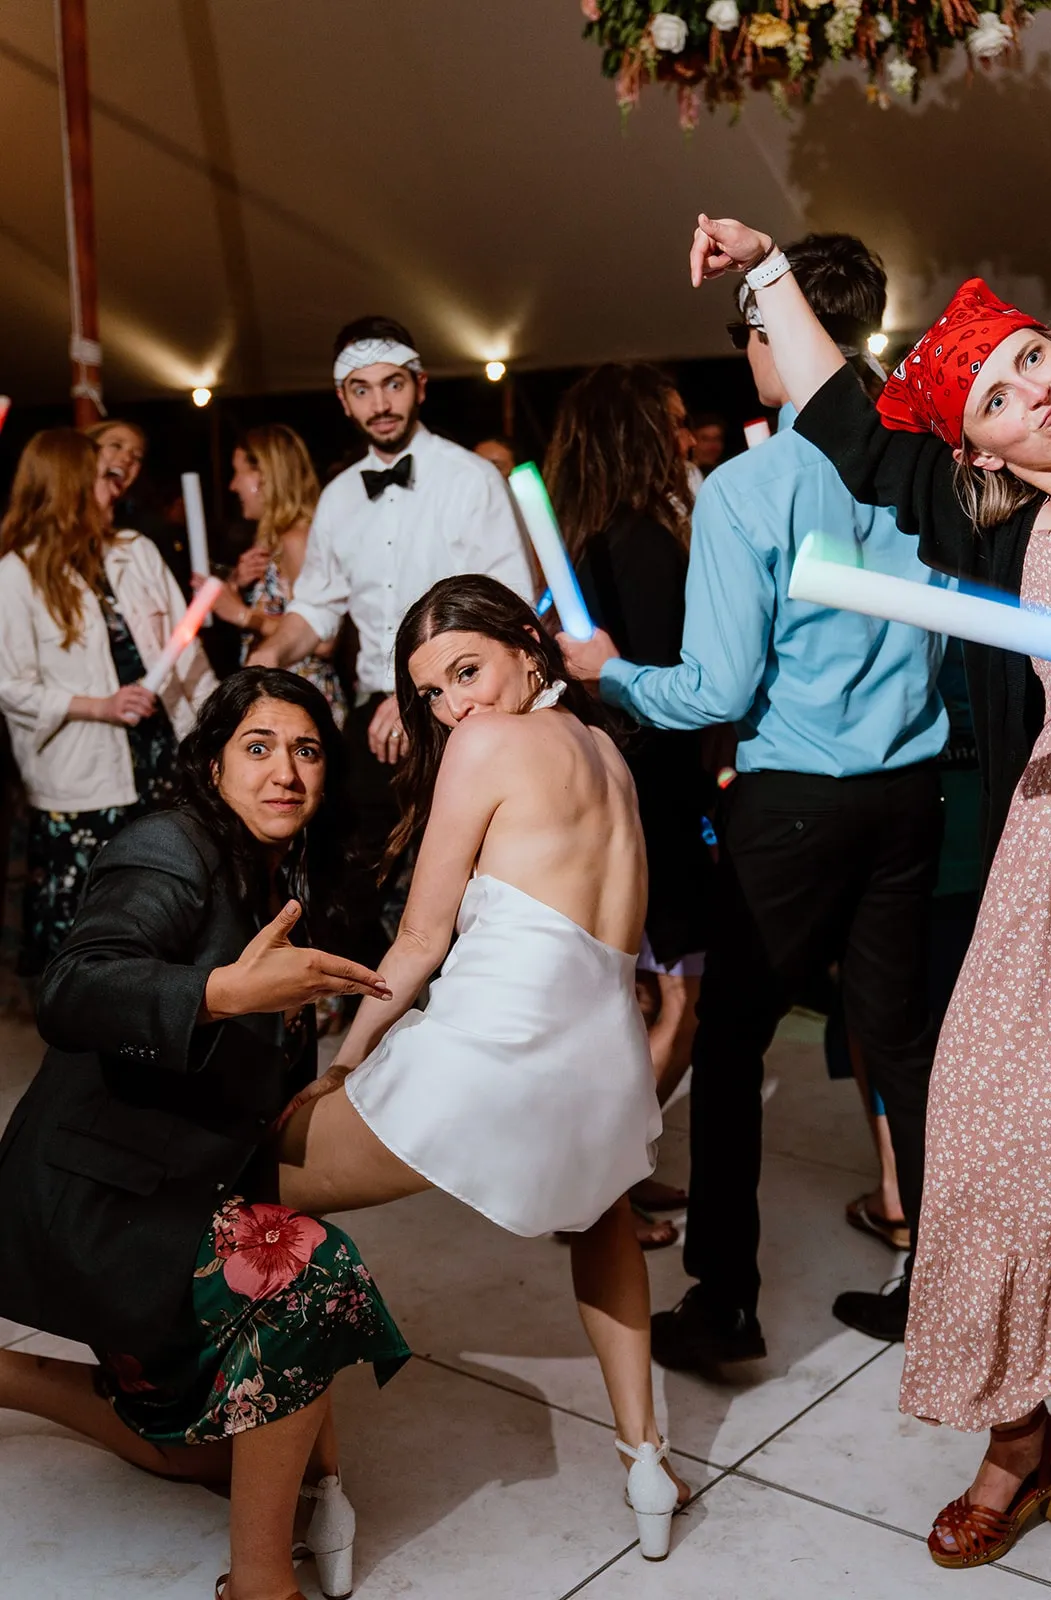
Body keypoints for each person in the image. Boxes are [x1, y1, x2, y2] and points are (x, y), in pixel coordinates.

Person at [686, 212, 1051, 1569]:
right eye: (1001, 393)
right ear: (980, 449)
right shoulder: (990, 531)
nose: (1039, 388)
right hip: (1047, 867)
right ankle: (1018, 1436)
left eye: (1038, 355)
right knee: (980, 1122)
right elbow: (845, 423)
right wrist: (763, 269)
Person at [561, 233, 951, 1366]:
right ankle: (933, 1283)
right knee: (903, 1046)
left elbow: (713, 691)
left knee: (730, 1045)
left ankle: (722, 1300)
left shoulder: (748, 487)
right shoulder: (922, 462)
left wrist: (608, 670)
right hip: (910, 792)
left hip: (792, 803)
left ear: (769, 338)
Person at [275, 574, 689, 1560]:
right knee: (603, 1231)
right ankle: (646, 1466)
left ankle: (316, 1486)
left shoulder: (484, 745)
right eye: (430, 694)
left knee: (255, 1188)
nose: (453, 706)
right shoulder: (606, 752)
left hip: (486, 1065)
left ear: (526, 646)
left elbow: (417, 940)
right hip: (603, 1078)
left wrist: (340, 1066)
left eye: (465, 671)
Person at [0, 668, 409, 1600]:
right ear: (213, 761)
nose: (285, 773)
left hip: (177, 1185)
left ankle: (9, 1378)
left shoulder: (285, 868)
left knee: (201, 1457)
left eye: (306, 750)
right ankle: (260, 1586)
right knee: (315, 1279)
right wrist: (224, 991)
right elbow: (75, 985)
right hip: (94, 1197)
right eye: (257, 747)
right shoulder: (168, 845)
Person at [249, 318, 533, 945]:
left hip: (459, 714)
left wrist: (421, 698)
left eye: (393, 384)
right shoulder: (337, 499)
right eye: (361, 389)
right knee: (351, 881)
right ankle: (380, 1015)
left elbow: (509, 609)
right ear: (342, 399)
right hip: (372, 720)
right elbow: (317, 609)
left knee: (469, 888)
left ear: (421, 386)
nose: (380, 403)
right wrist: (265, 655)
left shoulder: (471, 480)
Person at [544, 363, 710, 1249]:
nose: (685, 439)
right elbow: (672, 688)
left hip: (615, 799)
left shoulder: (584, 540)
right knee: (673, 1005)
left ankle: (616, 1177)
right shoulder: (643, 544)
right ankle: (595, 1195)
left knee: (635, 1003)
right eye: (673, 423)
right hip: (653, 800)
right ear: (638, 435)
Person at [0, 429, 216, 978]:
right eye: (100, 473)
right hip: (86, 775)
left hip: (164, 757)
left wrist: (221, 730)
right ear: (66, 484)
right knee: (92, 926)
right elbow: (11, 685)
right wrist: (100, 705)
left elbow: (186, 652)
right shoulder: (17, 572)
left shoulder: (135, 551)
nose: (115, 482)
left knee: (168, 900)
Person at [208, 425, 345, 728]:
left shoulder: (299, 539)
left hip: (304, 699)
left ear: (266, 476)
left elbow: (324, 641)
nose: (232, 486)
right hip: (277, 696)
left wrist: (242, 614)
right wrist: (237, 583)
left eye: (238, 472)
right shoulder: (272, 541)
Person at [690, 411, 728, 477]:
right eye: (705, 439)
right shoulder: (682, 476)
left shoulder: (726, 475)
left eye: (717, 439)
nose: (712, 447)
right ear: (692, 441)